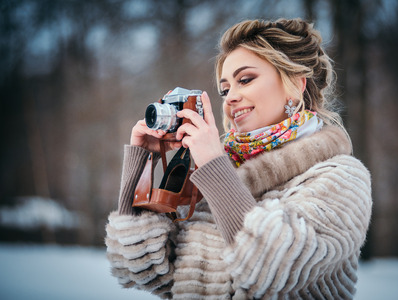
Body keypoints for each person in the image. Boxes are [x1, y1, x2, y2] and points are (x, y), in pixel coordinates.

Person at [105, 18, 372, 299]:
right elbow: (140, 270)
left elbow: (273, 269)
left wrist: (214, 168)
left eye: (245, 80)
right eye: (225, 89)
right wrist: (142, 163)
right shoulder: (214, 178)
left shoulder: (341, 177)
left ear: (295, 84)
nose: (231, 97)